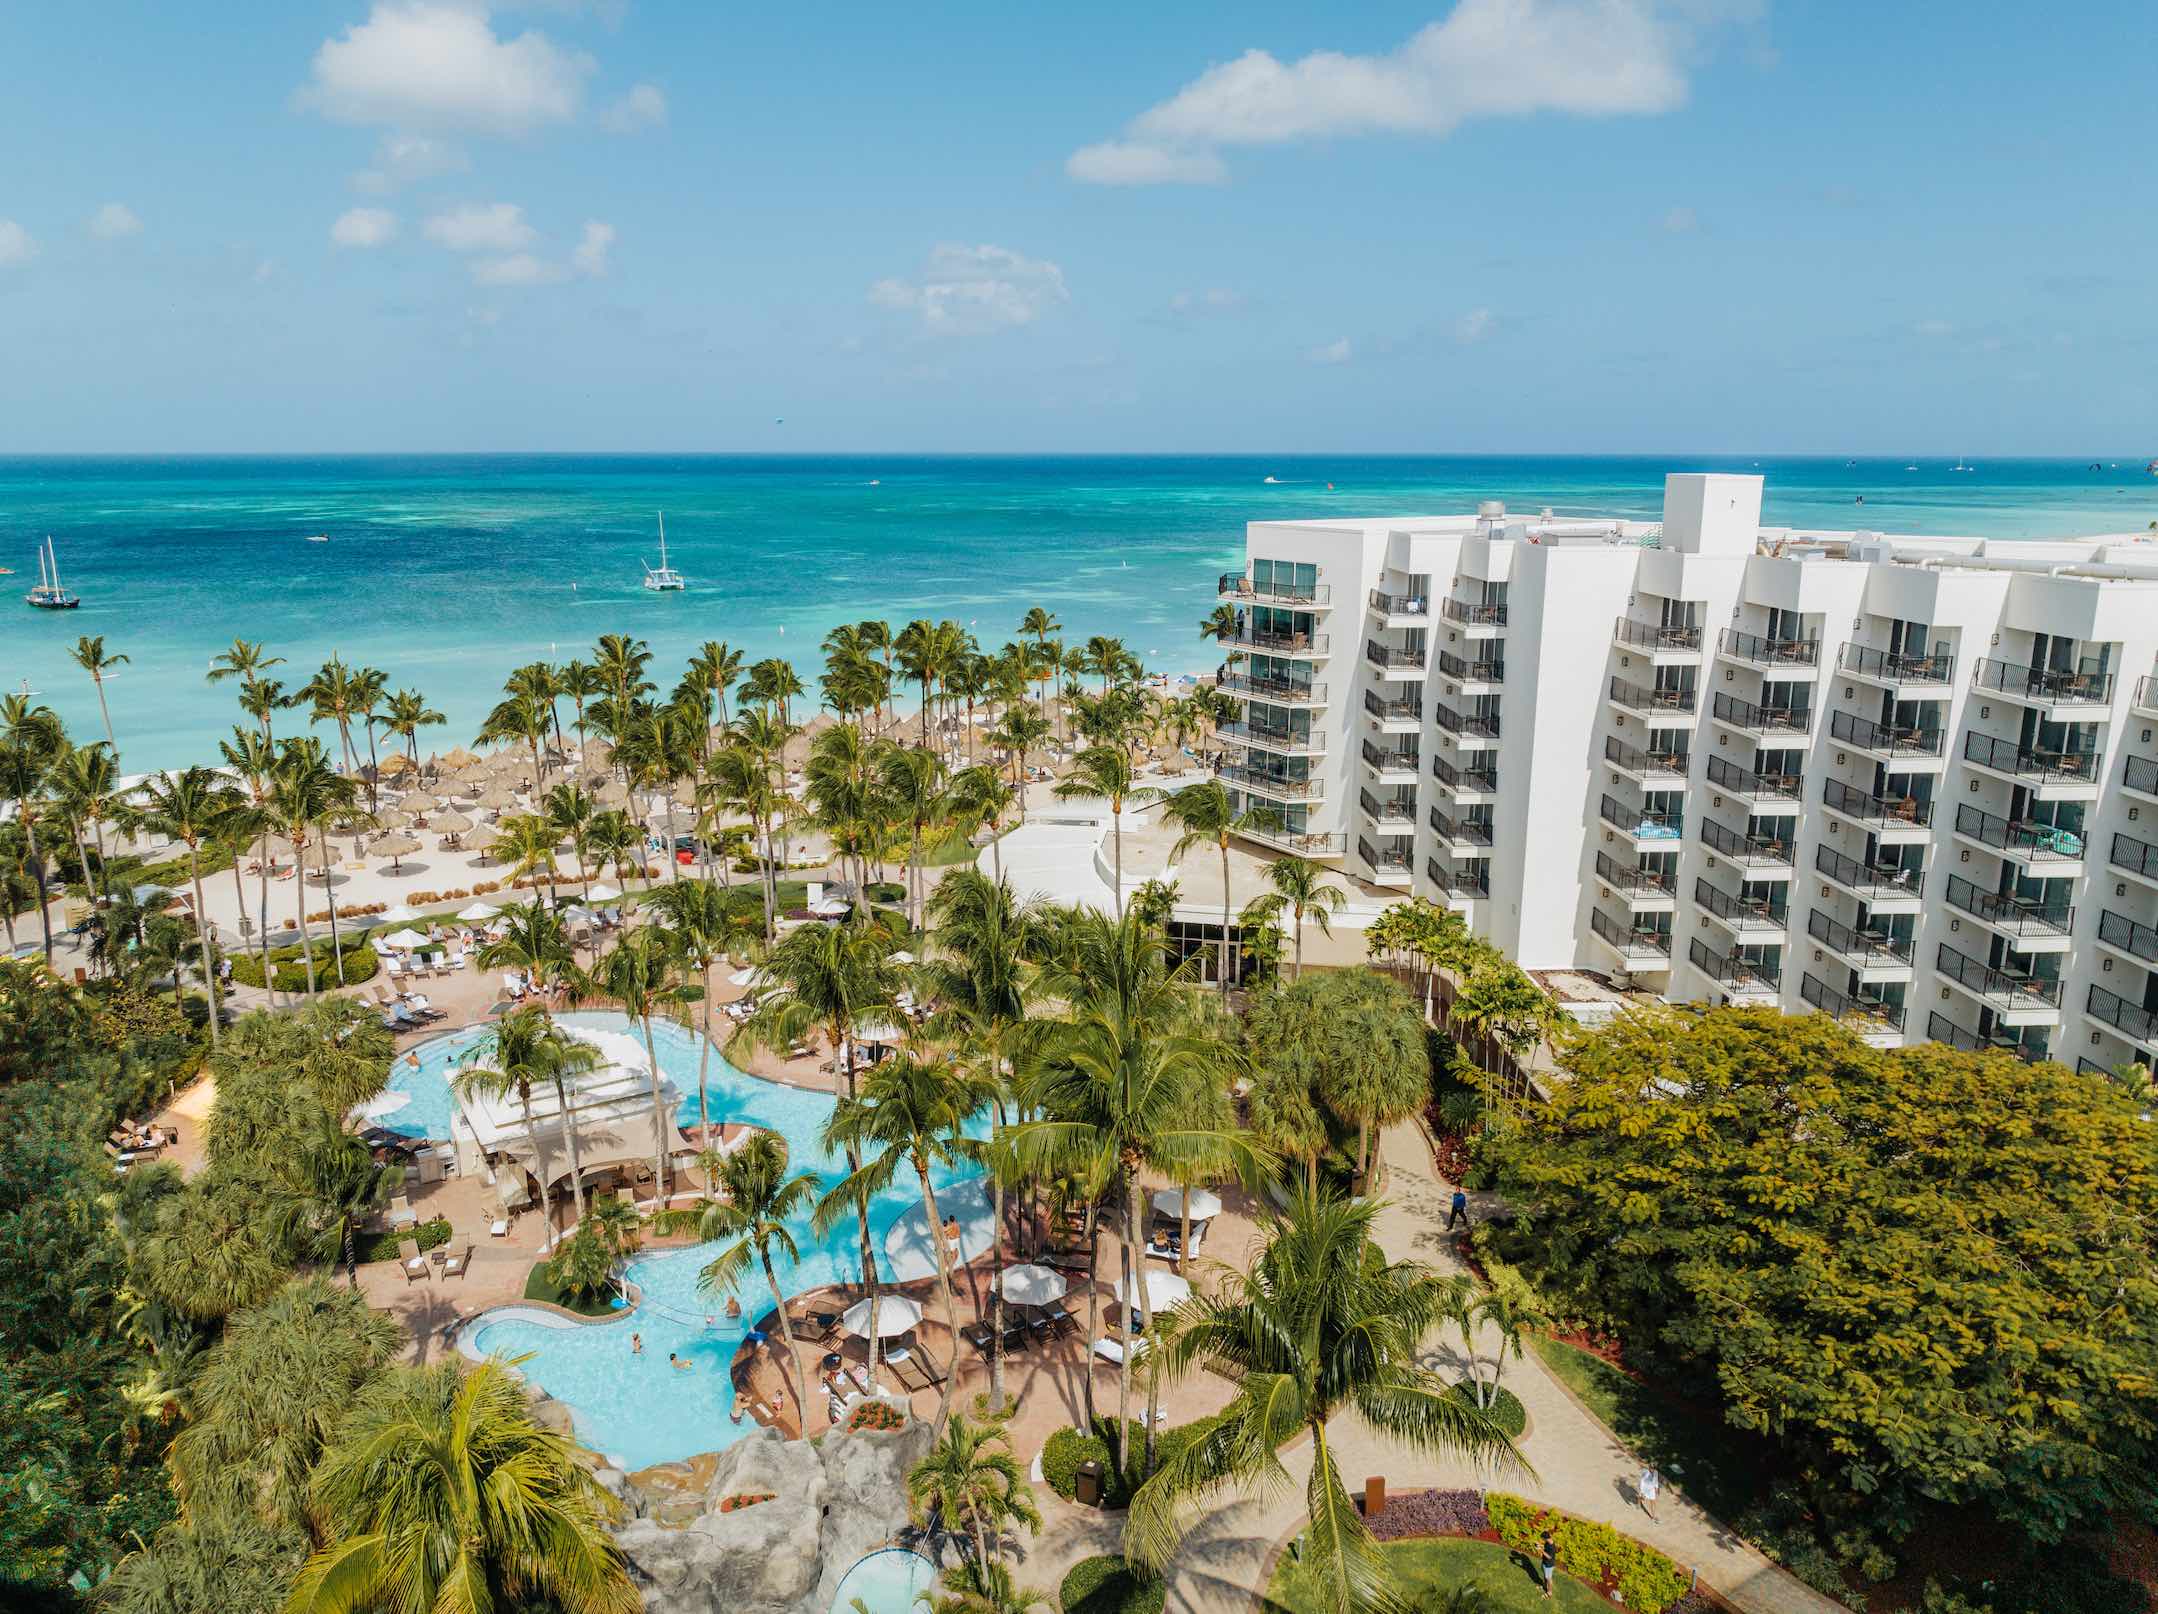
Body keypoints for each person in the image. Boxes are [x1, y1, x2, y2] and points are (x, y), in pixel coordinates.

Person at [1538, 1531, 1557, 1599]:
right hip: (1545, 1562)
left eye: (1542, 1538)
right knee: (1545, 1576)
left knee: (1549, 1579)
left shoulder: (1552, 1547)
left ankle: (1549, 1593)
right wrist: (1540, 1545)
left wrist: (1541, 1550)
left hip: (1549, 1565)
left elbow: (1549, 1557)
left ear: (1545, 1538)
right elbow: (1545, 1547)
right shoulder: (1547, 1542)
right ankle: (1544, 1586)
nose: (1542, 1540)